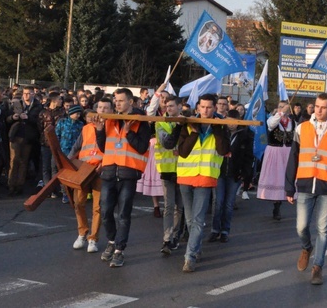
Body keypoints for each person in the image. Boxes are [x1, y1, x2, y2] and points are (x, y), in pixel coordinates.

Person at [285, 92, 327, 285]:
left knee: (322, 229)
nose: (319, 110)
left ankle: (317, 267)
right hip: (305, 184)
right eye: (317, 106)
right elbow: (293, 159)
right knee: (301, 226)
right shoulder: (301, 128)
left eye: (323, 107)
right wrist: (289, 187)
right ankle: (306, 247)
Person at [165, 93, 230, 273]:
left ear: (215, 108)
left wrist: (218, 129)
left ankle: (190, 256)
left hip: (206, 176)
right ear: (198, 107)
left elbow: (223, 149)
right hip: (186, 175)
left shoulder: (220, 125)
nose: (205, 110)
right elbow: (183, 152)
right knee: (189, 218)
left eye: (209, 107)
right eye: (203, 107)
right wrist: (193, 133)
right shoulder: (188, 124)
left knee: (198, 220)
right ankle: (196, 247)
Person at [95, 88, 151, 268]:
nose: (117, 103)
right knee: (105, 211)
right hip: (110, 171)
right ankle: (112, 241)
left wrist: (128, 132)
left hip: (128, 173)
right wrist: (99, 131)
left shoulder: (140, 121)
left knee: (124, 214)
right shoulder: (110, 119)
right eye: (115, 100)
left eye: (120, 100)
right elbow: (104, 147)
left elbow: (142, 147)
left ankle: (119, 250)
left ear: (130, 102)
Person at [68, 98, 111, 253]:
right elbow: (77, 146)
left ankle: (93, 238)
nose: (103, 110)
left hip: (100, 169)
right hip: (84, 169)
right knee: (78, 202)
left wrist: (104, 162)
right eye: (100, 107)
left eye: (106, 108)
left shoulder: (111, 127)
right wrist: (68, 163)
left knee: (98, 206)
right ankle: (82, 232)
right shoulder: (86, 128)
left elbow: (113, 149)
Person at [209, 109, 254, 243]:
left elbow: (249, 156)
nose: (231, 124)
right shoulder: (221, 131)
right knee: (218, 202)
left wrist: (244, 174)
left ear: (239, 121)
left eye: (234, 122)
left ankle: (225, 231)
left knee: (228, 204)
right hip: (220, 171)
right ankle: (214, 230)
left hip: (235, 173)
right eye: (229, 121)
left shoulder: (246, 134)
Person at [154, 95, 184, 256]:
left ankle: (176, 236)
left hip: (184, 168)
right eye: (167, 106)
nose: (169, 109)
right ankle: (167, 238)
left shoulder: (186, 121)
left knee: (180, 206)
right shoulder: (161, 122)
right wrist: (178, 127)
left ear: (180, 106)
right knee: (169, 206)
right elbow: (167, 142)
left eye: (172, 106)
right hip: (167, 168)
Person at [258, 100, 295, 220]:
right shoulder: (272, 119)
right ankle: (276, 203)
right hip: (274, 151)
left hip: (288, 152)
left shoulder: (293, 122)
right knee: (275, 177)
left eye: (285, 108)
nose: (283, 109)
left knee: (286, 177)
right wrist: (279, 114)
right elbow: (272, 124)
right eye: (280, 107)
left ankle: (281, 201)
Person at [6, 85, 43, 196]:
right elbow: (7, 119)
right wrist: (14, 117)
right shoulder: (16, 104)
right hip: (16, 135)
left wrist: (28, 118)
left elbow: (38, 121)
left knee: (23, 161)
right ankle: (11, 185)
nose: (26, 95)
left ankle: (20, 185)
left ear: (33, 94)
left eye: (29, 93)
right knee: (14, 160)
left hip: (29, 137)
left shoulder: (37, 106)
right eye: (25, 93)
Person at [55, 104, 85, 204]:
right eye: (76, 113)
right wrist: (57, 149)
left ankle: (73, 193)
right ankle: (65, 193)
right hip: (63, 151)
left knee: (74, 174)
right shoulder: (62, 122)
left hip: (75, 153)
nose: (78, 115)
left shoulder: (80, 125)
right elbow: (57, 135)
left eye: (79, 113)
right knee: (64, 174)